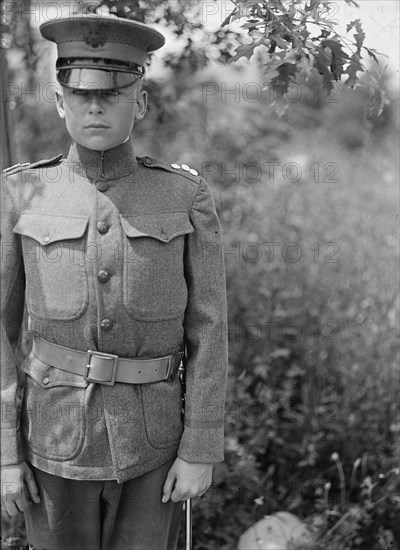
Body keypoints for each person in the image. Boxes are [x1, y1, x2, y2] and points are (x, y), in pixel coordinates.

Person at [1, 6, 228, 550]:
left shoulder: (182, 195)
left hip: (154, 448)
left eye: (114, 93)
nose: (96, 105)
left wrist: (200, 447)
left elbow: (210, 329)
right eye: (81, 94)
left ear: (141, 101)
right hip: (52, 443)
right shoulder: (21, 195)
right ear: (60, 101)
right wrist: (5, 453)